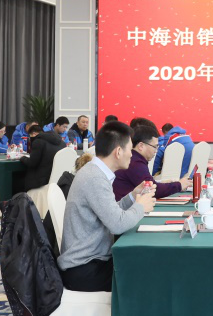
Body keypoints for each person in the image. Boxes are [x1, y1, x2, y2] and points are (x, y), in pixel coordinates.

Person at [56, 122, 157, 292]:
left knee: (144, 264)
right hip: (84, 268)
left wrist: (133, 195)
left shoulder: (96, 172)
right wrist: (141, 206)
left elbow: (110, 212)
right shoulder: (95, 178)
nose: (132, 155)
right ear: (118, 152)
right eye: (130, 149)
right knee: (146, 272)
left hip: (90, 262)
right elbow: (117, 224)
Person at [113, 124, 191, 200]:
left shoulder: (135, 159)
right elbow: (154, 190)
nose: (156, 151)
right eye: (155, 146)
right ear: (141, 146)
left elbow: (148, 184)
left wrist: (163, 183)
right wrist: (180, 185)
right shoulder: (135, 162)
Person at [23, 120, 66, 191]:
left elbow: (32, 163)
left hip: (41, 182)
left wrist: (23, 158)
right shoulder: (62, 143)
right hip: (58, 181)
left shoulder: (38, 142)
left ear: (34, 134)